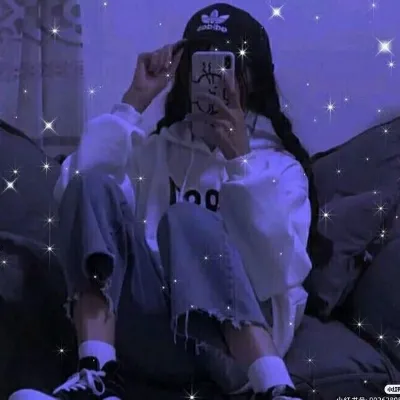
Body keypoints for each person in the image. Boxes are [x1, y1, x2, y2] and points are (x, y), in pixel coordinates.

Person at [9, 3, 314, 400]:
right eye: (200, 63)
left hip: (233, 355)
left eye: (225, 63)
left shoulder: (280, 167)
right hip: (154, 336)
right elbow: (74, 199)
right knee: (93, 184)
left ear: (252, 77)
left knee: (187, 218)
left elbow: (279, 273)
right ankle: (96, 377)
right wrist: (133, 102)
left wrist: (241, 164)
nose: (212, 78)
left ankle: (274, 388)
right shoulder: (156, 150)